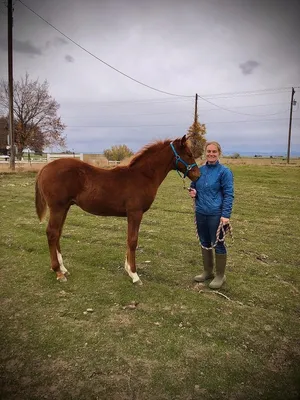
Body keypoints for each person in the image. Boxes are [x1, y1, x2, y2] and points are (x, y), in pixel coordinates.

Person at [188, 141, 234, 289]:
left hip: (216, 214)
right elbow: (193, 186)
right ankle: (208, 271)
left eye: (214, 151)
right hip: (201, 212)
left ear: (219, 153)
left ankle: (220, 275)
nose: (211, 154)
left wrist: (225, 215)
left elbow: (228, 194)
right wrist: (193, 191)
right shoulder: (200, 170)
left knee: (218, 243)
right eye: (209, 151)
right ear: (205, 152)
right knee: (204, 242)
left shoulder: (224, 172)